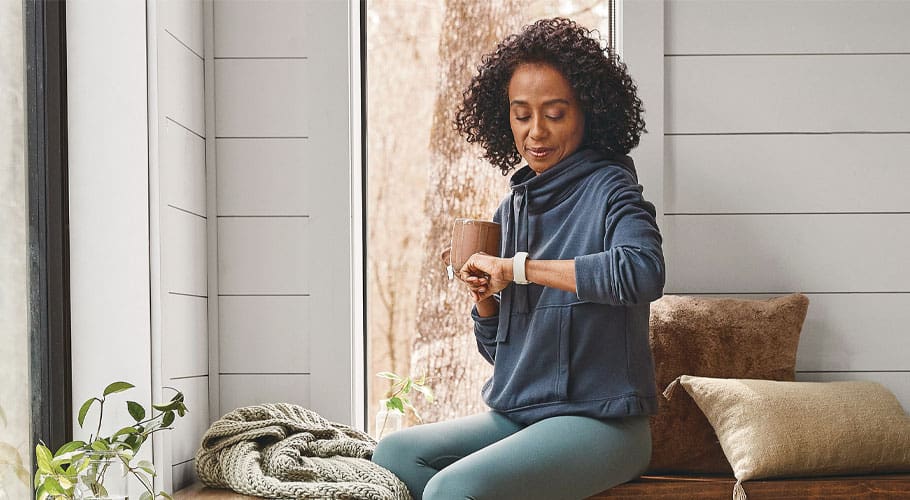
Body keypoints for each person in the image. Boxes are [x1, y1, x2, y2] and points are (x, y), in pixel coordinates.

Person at [372, 17, 665, 500]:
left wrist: (517, 268)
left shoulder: (612, 188)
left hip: (602, 423)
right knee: (395, 455)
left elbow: (643, 272)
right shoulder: (513, 207)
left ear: (587, 112)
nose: (535, 133)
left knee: (452, 488)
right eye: (521, 114)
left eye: (555, 113)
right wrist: (485, 298)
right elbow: (501, 354)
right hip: (518, 415)